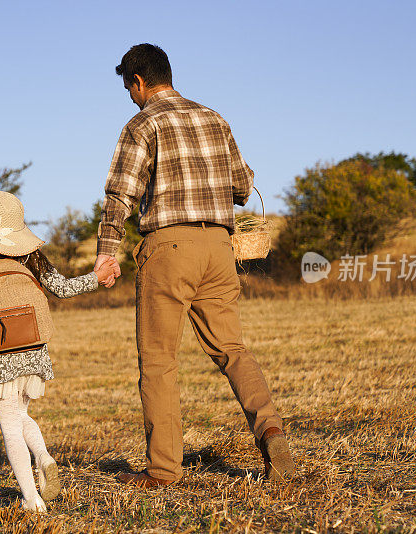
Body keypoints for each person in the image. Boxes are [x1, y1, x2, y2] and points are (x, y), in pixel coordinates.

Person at [94, 44, 296, 487]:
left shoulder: (142, 123)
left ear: (138, 82)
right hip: (220, 248)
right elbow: (243, 185)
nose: (130, 97)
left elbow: (120, 196)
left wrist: (106, 252)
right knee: (233, 350)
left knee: (160, 361)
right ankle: (272, 431)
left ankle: (164, 471)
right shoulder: (214, 118)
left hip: (169, 248)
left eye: (129, 89)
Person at [0, 191, 117, 512]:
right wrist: (97, 277)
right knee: (21, 415)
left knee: (10, 427)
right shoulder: (33, 260)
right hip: (31, 352)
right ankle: (43, 456)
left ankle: (31, 499)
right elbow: (64, 289)